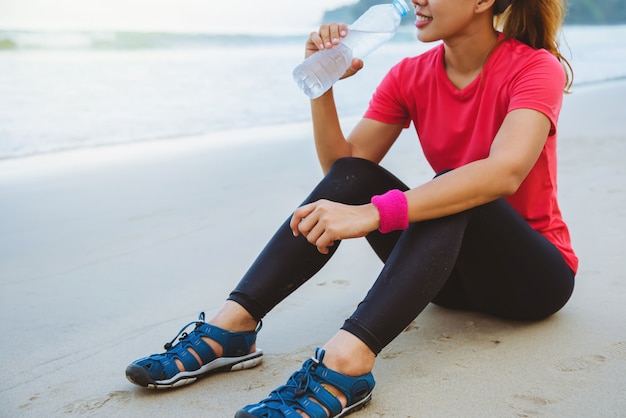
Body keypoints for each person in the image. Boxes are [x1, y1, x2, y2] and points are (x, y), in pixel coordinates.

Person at [125, 0, 578, 416]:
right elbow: (341, 176)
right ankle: (233, 327)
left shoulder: (536, 67)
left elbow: (504, 173)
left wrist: (376, 214)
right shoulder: (410, 75)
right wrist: (321, 82)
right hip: (449, 281)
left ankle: (348, 361)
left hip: (533, 280)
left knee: (457, 188)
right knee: (359, 175)